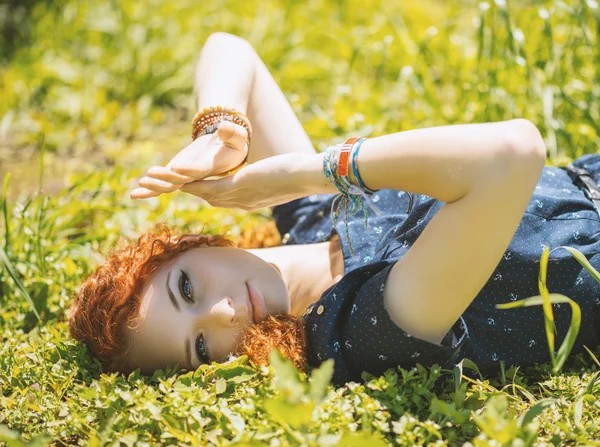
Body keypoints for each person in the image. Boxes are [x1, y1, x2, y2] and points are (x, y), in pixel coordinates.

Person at [69, 32, 600, 385]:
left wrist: (220, 132)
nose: (222, 313)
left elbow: (230, 49)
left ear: (190, 246)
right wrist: (311, 170)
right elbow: (511, 156)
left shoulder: (308, 220)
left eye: (186, 288)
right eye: (202, 348)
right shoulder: (360, 327)